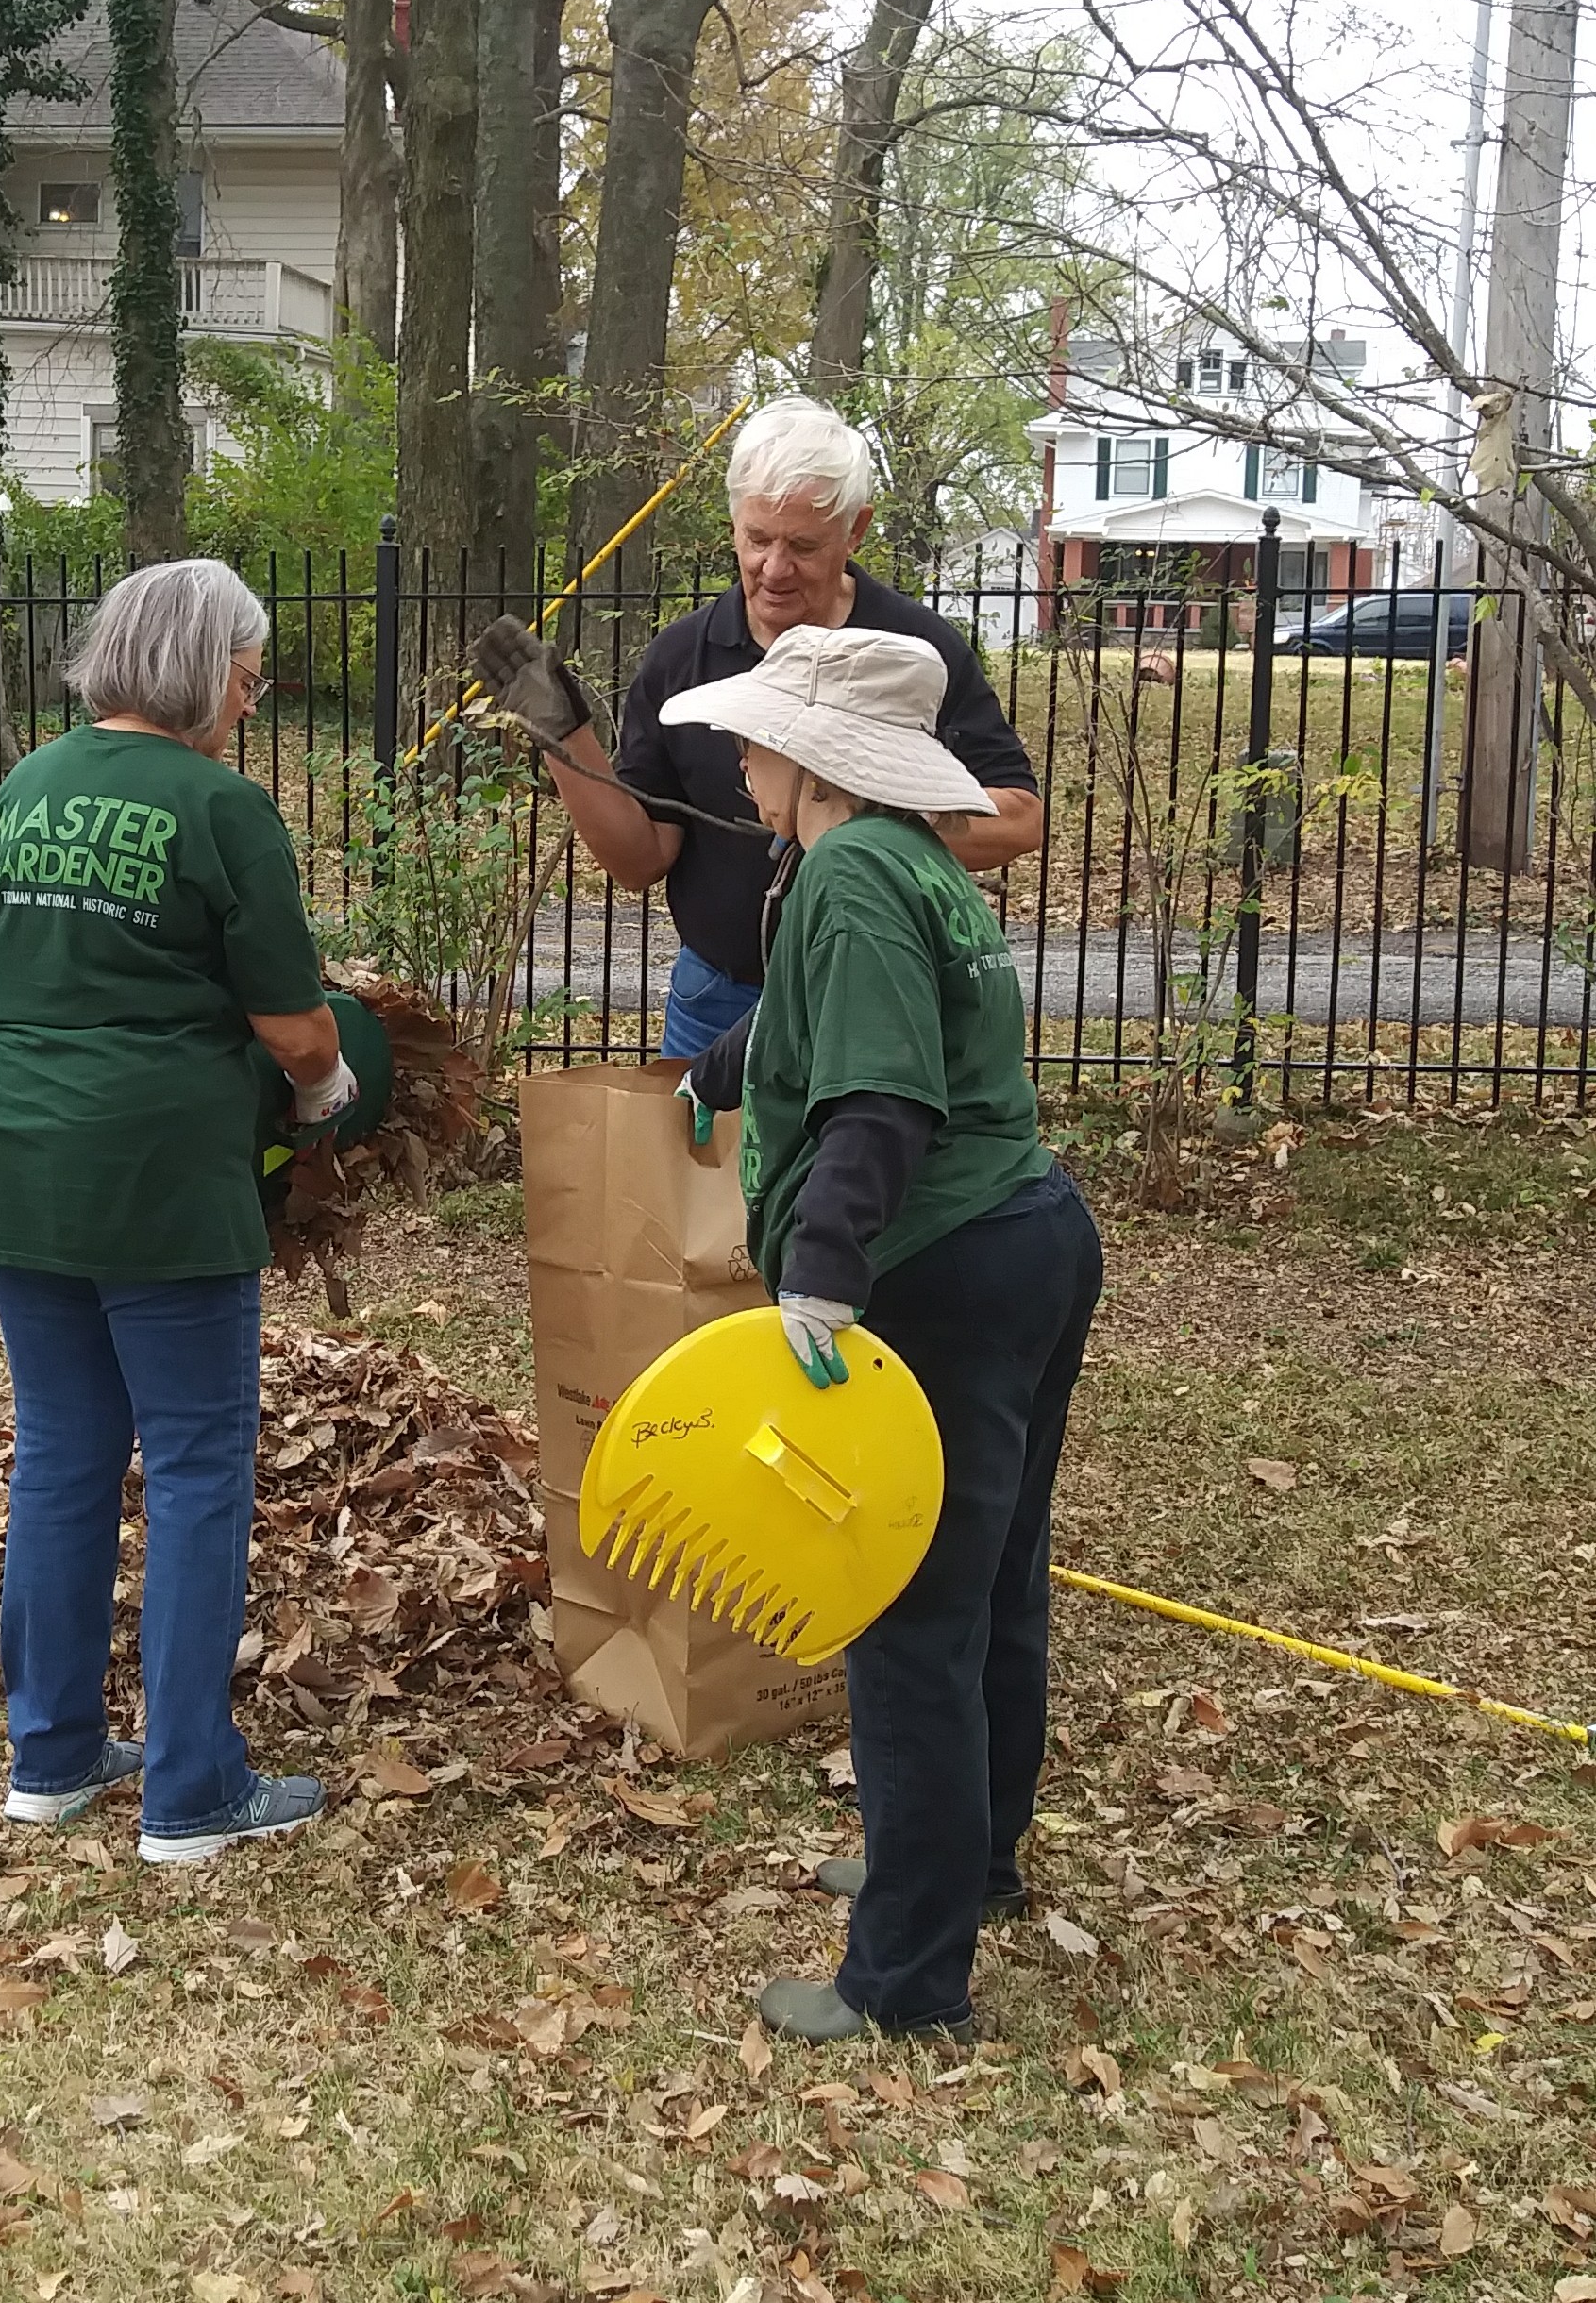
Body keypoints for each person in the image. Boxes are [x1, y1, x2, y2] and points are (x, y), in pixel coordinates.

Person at [668, 621, 1104, 2043]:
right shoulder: (907, 857)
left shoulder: (850, 871)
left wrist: (819, 1271)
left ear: (812, 756)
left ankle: (904, 1979)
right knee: (992, 1583)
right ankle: (965, 1862)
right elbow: (835, 1017)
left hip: (942, 1267)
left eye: (754, 736)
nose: (736, 755)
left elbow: (882, 1104)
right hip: (1029, 1238)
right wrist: (722, 1066)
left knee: (907, 1614)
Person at [0, 560, 354, 1867]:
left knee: (61, 1449)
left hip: (8, 1145)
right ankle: (191, 1789)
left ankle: (52, 1756)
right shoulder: (222, 807)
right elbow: (290, 1018)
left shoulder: (24, 784)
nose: (252, 694)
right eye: (246, 670)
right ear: (197, 666)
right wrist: (330, 1088)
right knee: (191, 1466)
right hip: (155, 1165)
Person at [468, 395, 1042, 1054]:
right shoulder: (683, 660)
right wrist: (564, 740)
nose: (772, 568)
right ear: (733, 522)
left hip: (884, 993)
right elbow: (638, 860)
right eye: (757, 538)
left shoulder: (912, 650)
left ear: (856, 530)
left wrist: (860, 815)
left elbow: (1020, 818)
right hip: (719, 1001)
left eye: (802, 545)